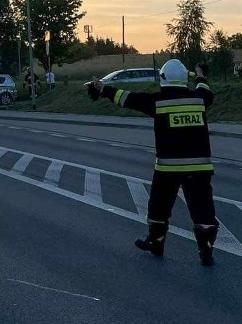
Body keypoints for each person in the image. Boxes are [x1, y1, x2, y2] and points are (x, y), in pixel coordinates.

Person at [87, 59, 219, 265]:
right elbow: (205, 88)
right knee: (203, 210)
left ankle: (156, 242)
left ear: (163, 79)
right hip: (200, 168)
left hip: (168, 169)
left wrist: (103, 89)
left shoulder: (158, 101)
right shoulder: (200, 99)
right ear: (185, 80)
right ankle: (206, 251)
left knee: (159, 207)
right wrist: (200, 74)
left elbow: (129, 98)